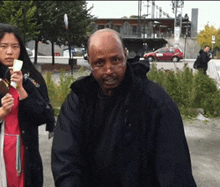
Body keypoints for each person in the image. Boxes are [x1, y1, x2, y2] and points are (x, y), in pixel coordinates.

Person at [51, 28, 197, 187]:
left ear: (126, 56)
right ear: (89, 62)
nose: (108, 70)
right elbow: (66, 160)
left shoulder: (156, 102)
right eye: (99, 63)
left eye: (115, 60)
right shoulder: (78, 100)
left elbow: (175, 172)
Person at [0, 23, 55, 187]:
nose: (9, 51)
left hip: (25, 153)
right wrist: (1, 113)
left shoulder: (31, 77)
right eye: (3, 46)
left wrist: (23, 91)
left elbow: (45, 115)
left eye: (15, 46)